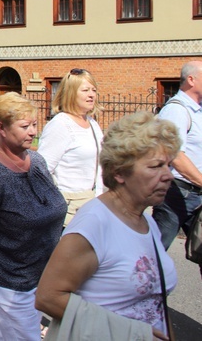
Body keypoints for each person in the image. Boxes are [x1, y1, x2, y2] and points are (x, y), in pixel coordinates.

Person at [36, 111, 180, 340]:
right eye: (156, 166)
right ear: (120, 172)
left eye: (169, 166)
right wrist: (131, 332)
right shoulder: (94, 223)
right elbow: (48, 297)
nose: (168, 176)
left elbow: (156, 304)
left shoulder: (147, 222)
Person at [0, 92, 67, 340]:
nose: (32, 132)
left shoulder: (36, 161)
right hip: (7, 281)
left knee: (8, 333)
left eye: (35, 125)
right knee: (24, 336)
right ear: (2, 129)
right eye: (25, 126)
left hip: (38, 274)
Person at [38, 68, 104, 225]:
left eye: (93, 90)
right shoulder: (60, 125)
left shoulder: (92, 123)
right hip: (68, 209)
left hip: (91, 204)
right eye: (85, 90)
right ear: (71, 93)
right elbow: (42, 170)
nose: (91, 95)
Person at [153, 61, 202, 259]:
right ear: (191, 80)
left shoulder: (197, 110)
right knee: (153, 253)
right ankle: (139, 288)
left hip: (196, 192)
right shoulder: (177, 110)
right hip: (175, 191)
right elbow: (175, 155)